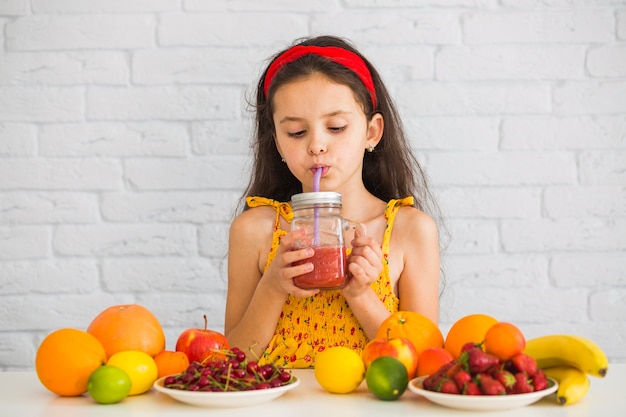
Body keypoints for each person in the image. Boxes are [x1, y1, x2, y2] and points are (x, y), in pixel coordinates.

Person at [224, 35, 442, 368]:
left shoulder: (410, 230)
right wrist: (272, 286)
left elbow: (422, 365)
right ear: (278, 143)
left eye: (336, 127)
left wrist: (360, 293)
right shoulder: (253, 230)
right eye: (297, 132)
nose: (317, 145)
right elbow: (231, 362)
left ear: (372, 132)